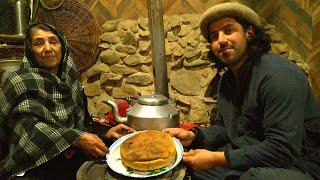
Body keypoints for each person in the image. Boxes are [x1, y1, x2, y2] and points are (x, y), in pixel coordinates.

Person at [163, 2, 320, 179]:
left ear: (249, 33)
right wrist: (193, 136)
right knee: (190, 167)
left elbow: (282, 150)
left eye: (229, 30)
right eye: (214, 36)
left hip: (297, 165)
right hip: (250, 155)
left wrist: (217, 158)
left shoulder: (280, 76)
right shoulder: (227, 80)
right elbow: (223, 128)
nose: (221, 40)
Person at [0, 23, 135, 179]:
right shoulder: (19, 82)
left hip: (70, 163)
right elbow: (30, 129)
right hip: (33, 166)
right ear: (30, 50)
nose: (48, 48)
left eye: (53, 41)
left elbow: (83, 124)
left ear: (62, 46)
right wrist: (75, 138)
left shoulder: (73, 83)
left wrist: (105, 133)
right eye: (39, 43)